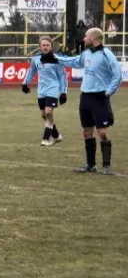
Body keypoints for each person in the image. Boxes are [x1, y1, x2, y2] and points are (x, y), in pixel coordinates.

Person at [40, 28, 122, 175]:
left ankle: (107, 166)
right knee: (86, 132)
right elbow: (75, 61)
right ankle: (91, 165)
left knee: (102, 132)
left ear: (94, 38)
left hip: (100, 97)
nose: (84, 39)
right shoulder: (87, 53)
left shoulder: (106, 54)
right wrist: (55, 58)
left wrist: (109, 91)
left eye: (86, 36)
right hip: (85, 97)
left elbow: (117, 75)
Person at [21, 36, 68, 146]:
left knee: (48, 112)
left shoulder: (57, 59)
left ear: (51, 46)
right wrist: (24, 83)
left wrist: (63, 92)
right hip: (41, 90)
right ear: (40, 47)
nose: (45, 47)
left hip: (53, 89)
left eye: (48, 45)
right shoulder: (36, 59)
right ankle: (56, 135)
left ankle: (45, 139)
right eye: (43, 45)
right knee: (43, 115)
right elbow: (31, 71)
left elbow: (62, 76)